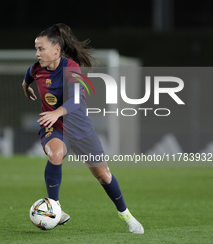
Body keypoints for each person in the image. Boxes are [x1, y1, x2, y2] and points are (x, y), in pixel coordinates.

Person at [22, 23, 144, 234]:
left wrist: (56, 112)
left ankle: (126, 215)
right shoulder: (35, 69)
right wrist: (26, 89)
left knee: (104, 176)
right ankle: (55, 207)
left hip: (81, 130)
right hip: (56, 127)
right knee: (56, 153)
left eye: (41, 48)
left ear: (56, 50)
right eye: (36, 48)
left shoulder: (71, 68)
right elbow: (27, 79)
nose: (37, 53)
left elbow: (77, 99)